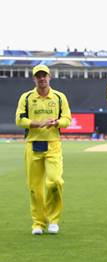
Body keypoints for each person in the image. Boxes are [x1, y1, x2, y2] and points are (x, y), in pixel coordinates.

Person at [15, 64, 71, 235]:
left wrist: (57, 123)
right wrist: (36, 123)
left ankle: (53, 219)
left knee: (55, 182)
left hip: (53, 144)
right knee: (34, 188)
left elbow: (67, 118)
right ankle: (38, 223)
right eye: (38, 76)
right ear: (34, 79)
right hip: (33, 145)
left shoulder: (59, 97)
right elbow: (19, 119)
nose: (41, 78)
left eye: (44, 75)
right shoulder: (26, 98)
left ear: (50, 77)